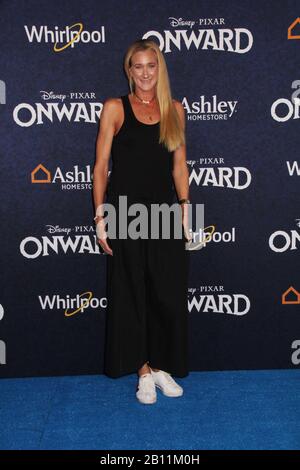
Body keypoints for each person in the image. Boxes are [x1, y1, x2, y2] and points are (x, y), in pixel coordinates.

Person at [92, 39, 191, 405]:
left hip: (165, 214)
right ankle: (144, 371)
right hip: (125, 213)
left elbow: (180, 166)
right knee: (132, 292)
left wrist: (185, 209)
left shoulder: (175, 111)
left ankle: (163, 365)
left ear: (159, 69)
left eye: (152, 65)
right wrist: (101, 215)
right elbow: (101, 167)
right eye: (138, 66)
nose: (145, 73)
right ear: (129, 70)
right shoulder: (115, 108)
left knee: (165, 291)